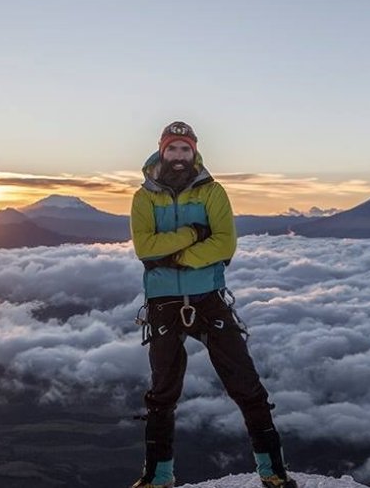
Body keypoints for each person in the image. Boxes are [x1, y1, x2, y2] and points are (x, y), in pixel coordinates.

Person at [129, 121, 297, 488]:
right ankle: (158, 476)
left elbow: (224, 244)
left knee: (246, 384)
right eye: (172, 149)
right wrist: (194, 234)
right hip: (165, 303)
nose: (178, 156)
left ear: (194, 153)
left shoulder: (212, 192)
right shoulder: (144, 197)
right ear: (161, 150)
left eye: (184, 149)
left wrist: (175, 258)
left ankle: (273, 472)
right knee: (162, 394)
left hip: (208, 298)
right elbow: (144, 248)